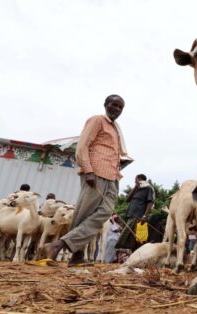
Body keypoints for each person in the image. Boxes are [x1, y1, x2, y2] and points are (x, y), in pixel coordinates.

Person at [43, 94, 127, 266]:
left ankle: (59, 244)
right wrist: (88, 170)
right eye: (114, 105)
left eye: (120, 107)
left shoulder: (116, 129)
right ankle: (76, 256)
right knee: (84, 214)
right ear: (105, 104)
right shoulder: (97, 120)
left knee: (105, 213)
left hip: (112, 175)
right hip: (95, 172)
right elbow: (82, 146)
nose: (117, 109)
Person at [116, 174, 154, 251]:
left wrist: (145, 216)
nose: (134, 181)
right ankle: (133, 254)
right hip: (130, 215)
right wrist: (135, 187)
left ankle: (140, 254)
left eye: (135, 179)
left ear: (140, 179)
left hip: (139, 217)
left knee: (138, 237)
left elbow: (150, 202)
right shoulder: (137, 189)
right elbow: (127, 200)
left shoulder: (148, 188)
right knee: (130, 238)